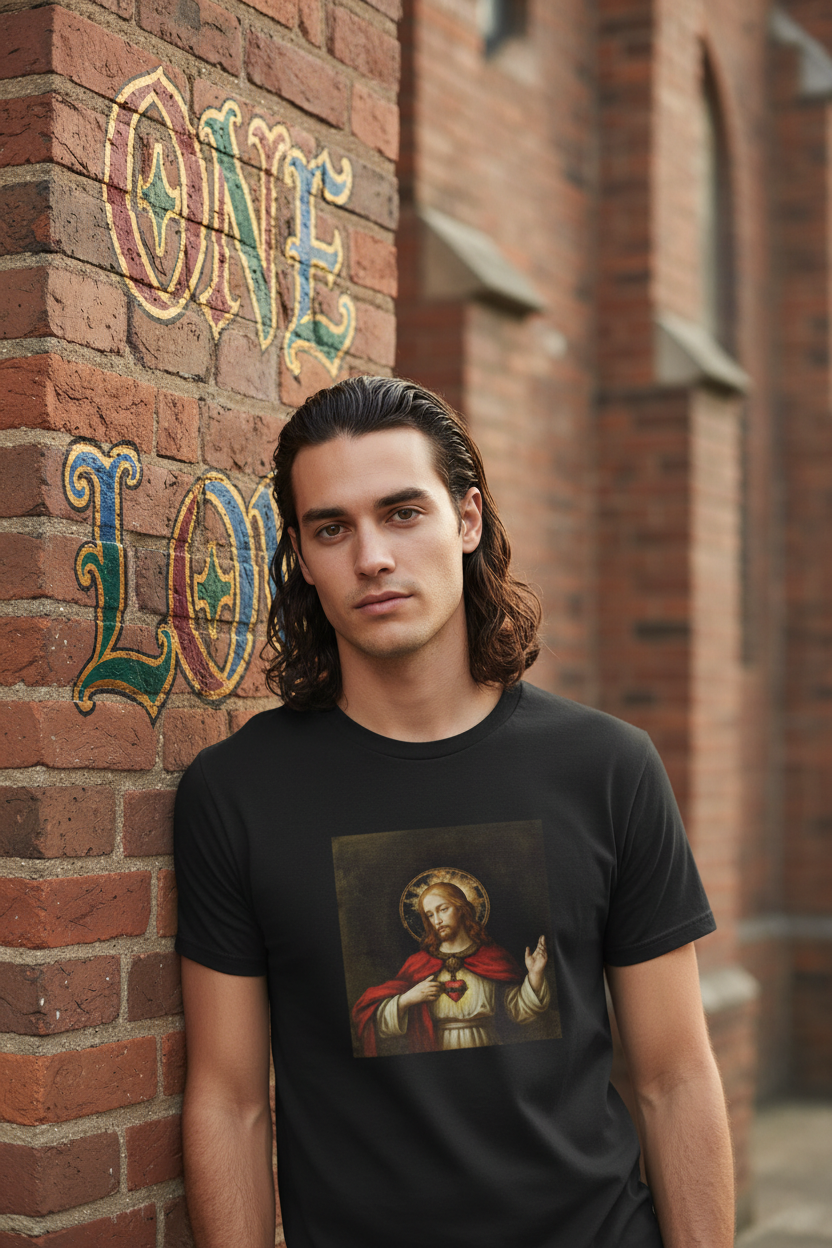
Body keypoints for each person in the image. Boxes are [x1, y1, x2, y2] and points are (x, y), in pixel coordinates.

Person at [174, 375, 734, 1248]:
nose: (372, 558)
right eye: (333, 528)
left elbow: (674, 1077)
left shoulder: (607, 768)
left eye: (403, 513)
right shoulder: (237, 793)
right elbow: (232, 1102)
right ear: (302, 554)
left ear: (466, 520)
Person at [352, 881, 551, 1054]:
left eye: (443, 909)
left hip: (486, 1046)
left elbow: (520, 1012)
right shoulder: (419, 962)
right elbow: (375, 1020)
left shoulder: (492, 957)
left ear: (461, 908)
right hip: (435, 1049)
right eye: (429, 915)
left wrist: (535, 974)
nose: (436, 920)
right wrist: (407, 999)